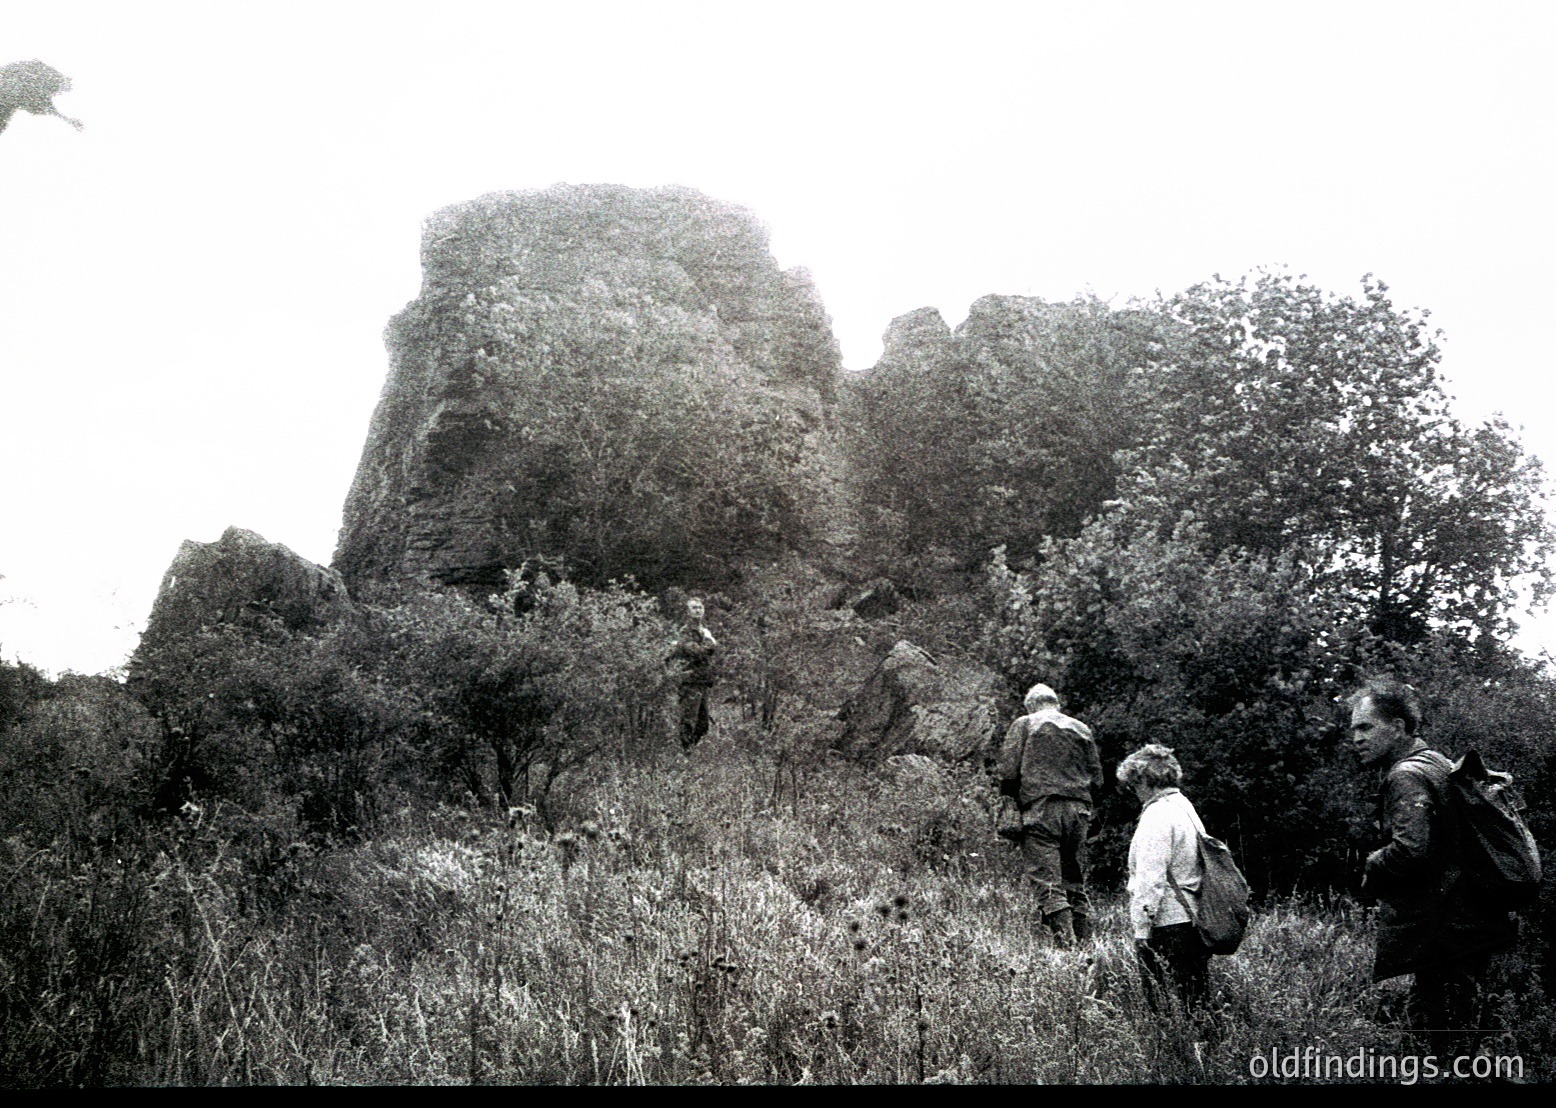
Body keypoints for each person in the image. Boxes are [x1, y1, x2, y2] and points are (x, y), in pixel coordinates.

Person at [1348, 677, 1517, 1053]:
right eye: (1353, 729)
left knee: (1446, 1044)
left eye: (1365, 727)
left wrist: (1372, 865)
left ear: (1398, 727)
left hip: (1445, 929)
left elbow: (1411, 850)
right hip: (1466, 921)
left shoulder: (1406, 775)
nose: (1356, 738)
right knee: (1445, 1031)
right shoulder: (1436, 761)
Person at [997, 683, 1103, 947]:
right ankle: (1086, 947)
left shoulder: (1025, 724)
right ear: (1056, 704)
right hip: (1079, 811)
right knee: (1073, 879)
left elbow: (1008, 771)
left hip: (1041, 810)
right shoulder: (1081, 728)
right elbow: (1097, 778)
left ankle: (1066, 950)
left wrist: (1009, 803)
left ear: (1031, 705)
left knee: (1047, 882)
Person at [1117, 743, 1211, 1015]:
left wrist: (1141, 930)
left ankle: (1175, 1054)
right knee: (1196, 1002)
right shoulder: (1184, 806)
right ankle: (1206, 1052)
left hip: (1168, 925)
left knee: (1164, 1008)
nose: (1134, 792)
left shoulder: (1157, 814)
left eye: (1133, 785)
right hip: (1193, 920)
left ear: (1146, 780)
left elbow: (1150, 879)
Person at [672, 597, 717, 749]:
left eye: (700, 607)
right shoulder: (685, 631)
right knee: (688, 720)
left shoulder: (703, 631)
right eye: (694, 608)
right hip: (690, 681)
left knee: (703, 725)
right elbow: (696, 652)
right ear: (687, 612)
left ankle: (689, 750)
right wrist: (710, 642)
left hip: (702, 681)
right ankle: (685, 754)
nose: (698, 610)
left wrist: (706, 640)